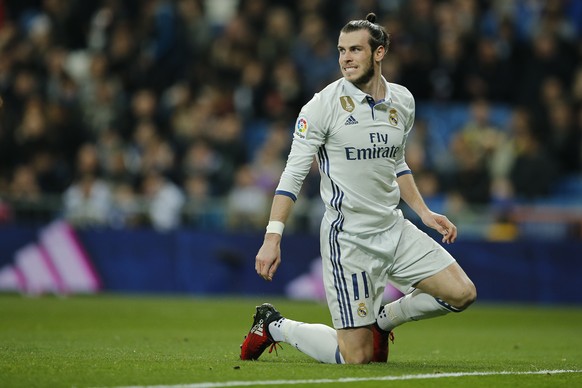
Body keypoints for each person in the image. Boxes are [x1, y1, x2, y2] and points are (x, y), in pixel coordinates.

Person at [240, 13, 476, 365]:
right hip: (349, 239)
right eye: (341, 50)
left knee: (462, 293)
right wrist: (273, 237)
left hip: (394, 229)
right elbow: (292, 175)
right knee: (357, 358)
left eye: (355, 50)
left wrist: (424, 212)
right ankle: (275, 326)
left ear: (379, 53)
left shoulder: (402, 101)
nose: (345, 58)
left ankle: (383, 320)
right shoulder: (322, 105)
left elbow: (396, 162)